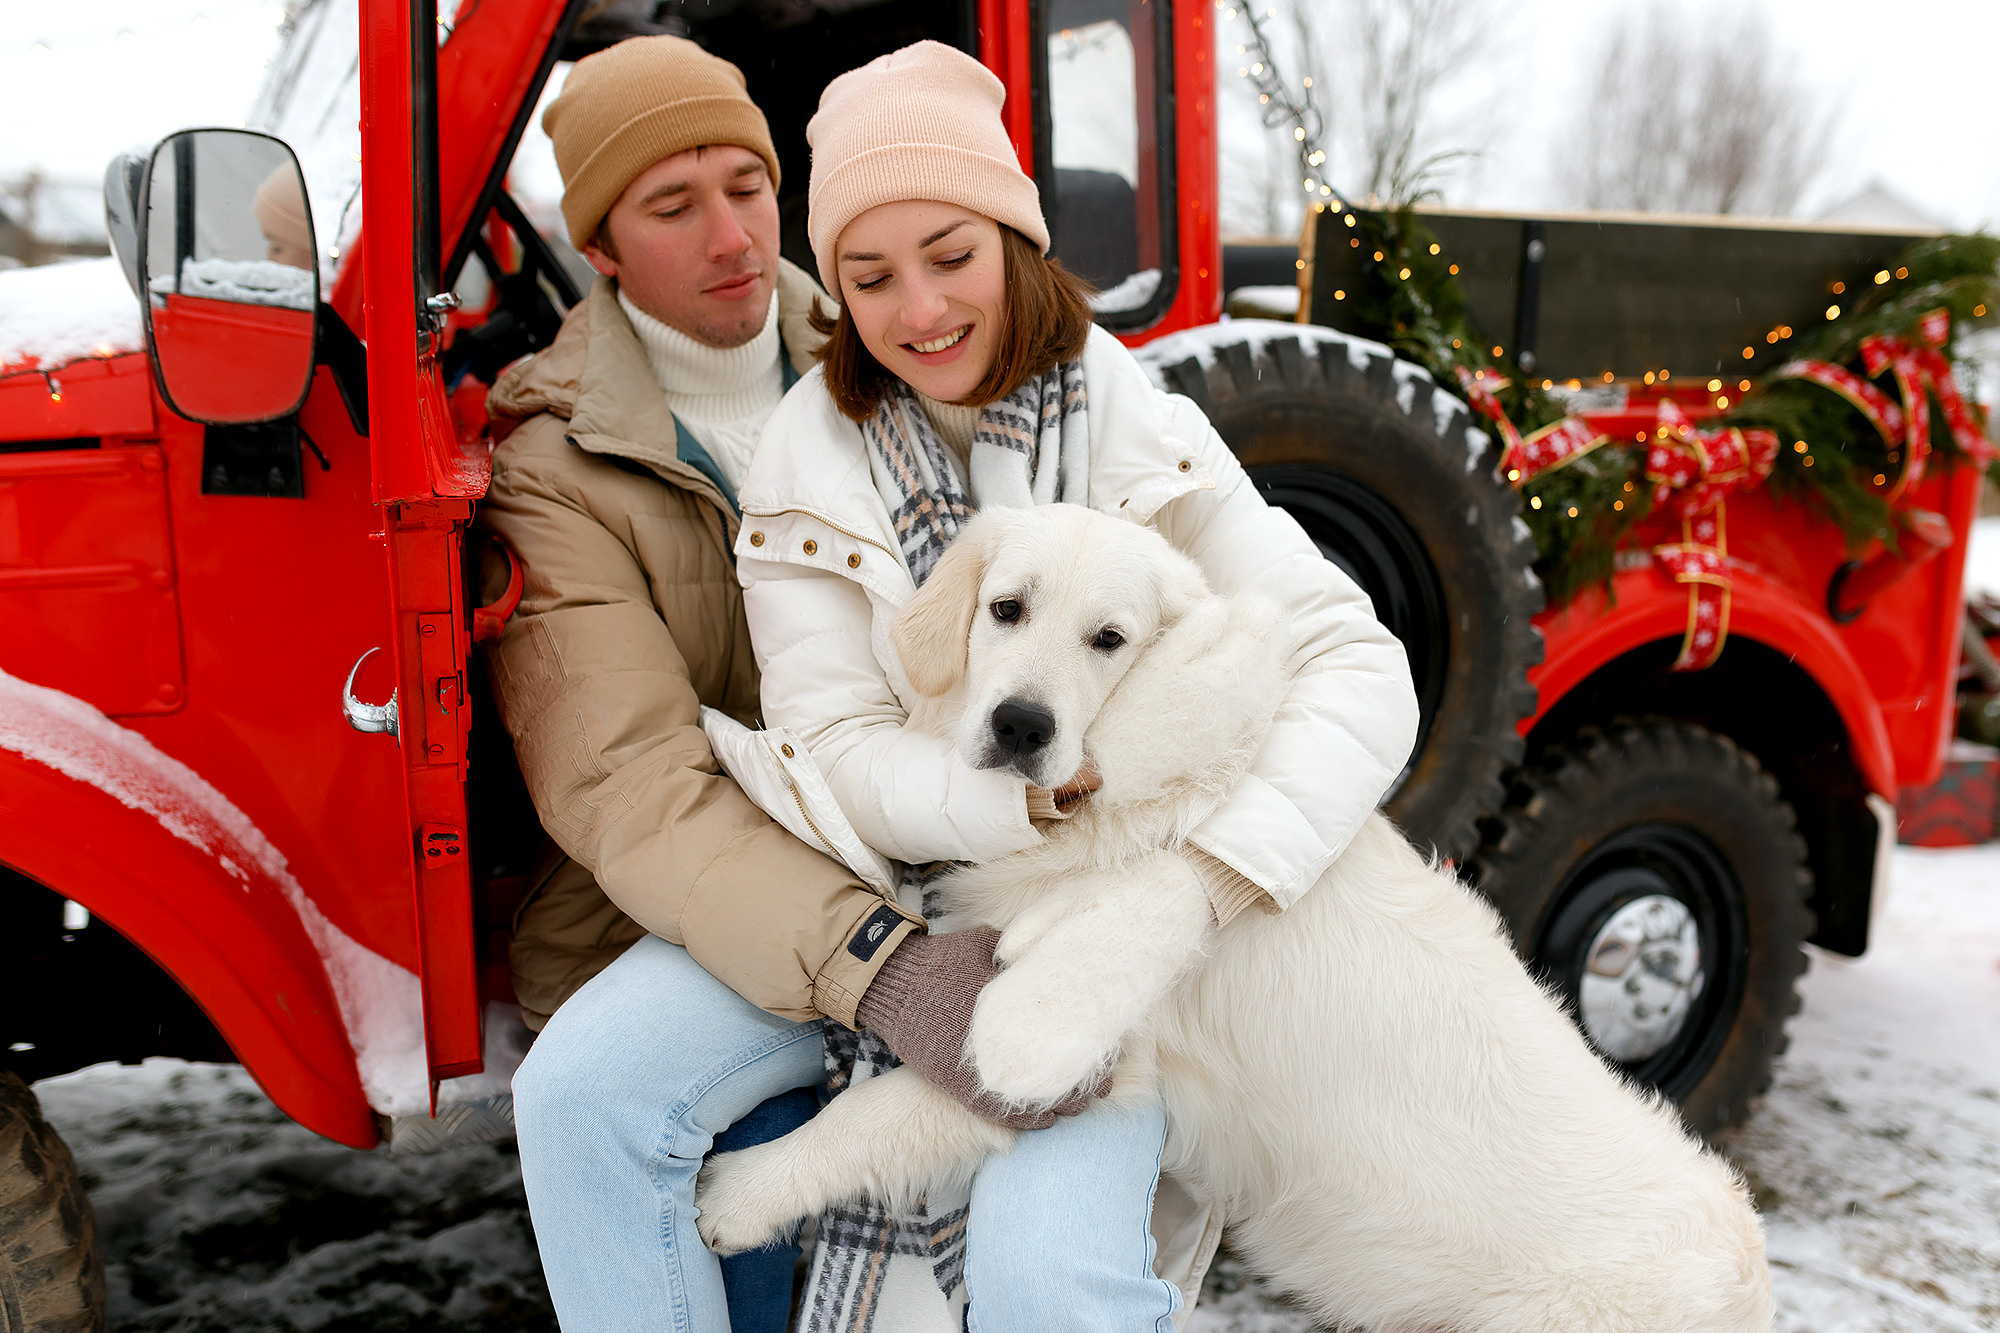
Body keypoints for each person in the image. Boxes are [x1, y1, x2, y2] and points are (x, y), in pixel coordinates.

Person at [730, 40, 1421, 1329]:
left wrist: (1202, 886)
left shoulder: (1134, 423)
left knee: (1051, 1283)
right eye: (869, 277)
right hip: (875, 900)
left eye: (951, 255)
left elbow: (1361, 665)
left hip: (1111, 922)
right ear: (832, 290)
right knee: (589, 1101)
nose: (919, 309)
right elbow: (830, 741)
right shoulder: (804, 455)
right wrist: (1013, 808)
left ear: (1013, 244)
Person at [479, 35, 1102, 1333]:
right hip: (695, 907)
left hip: (944, 849)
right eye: (671, 204)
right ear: (598, 246)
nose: (732, 234)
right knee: (621, 1122)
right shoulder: (558, 466)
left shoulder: (896, 342)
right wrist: (879, 964)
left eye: (747, 186)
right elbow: (631, 783)